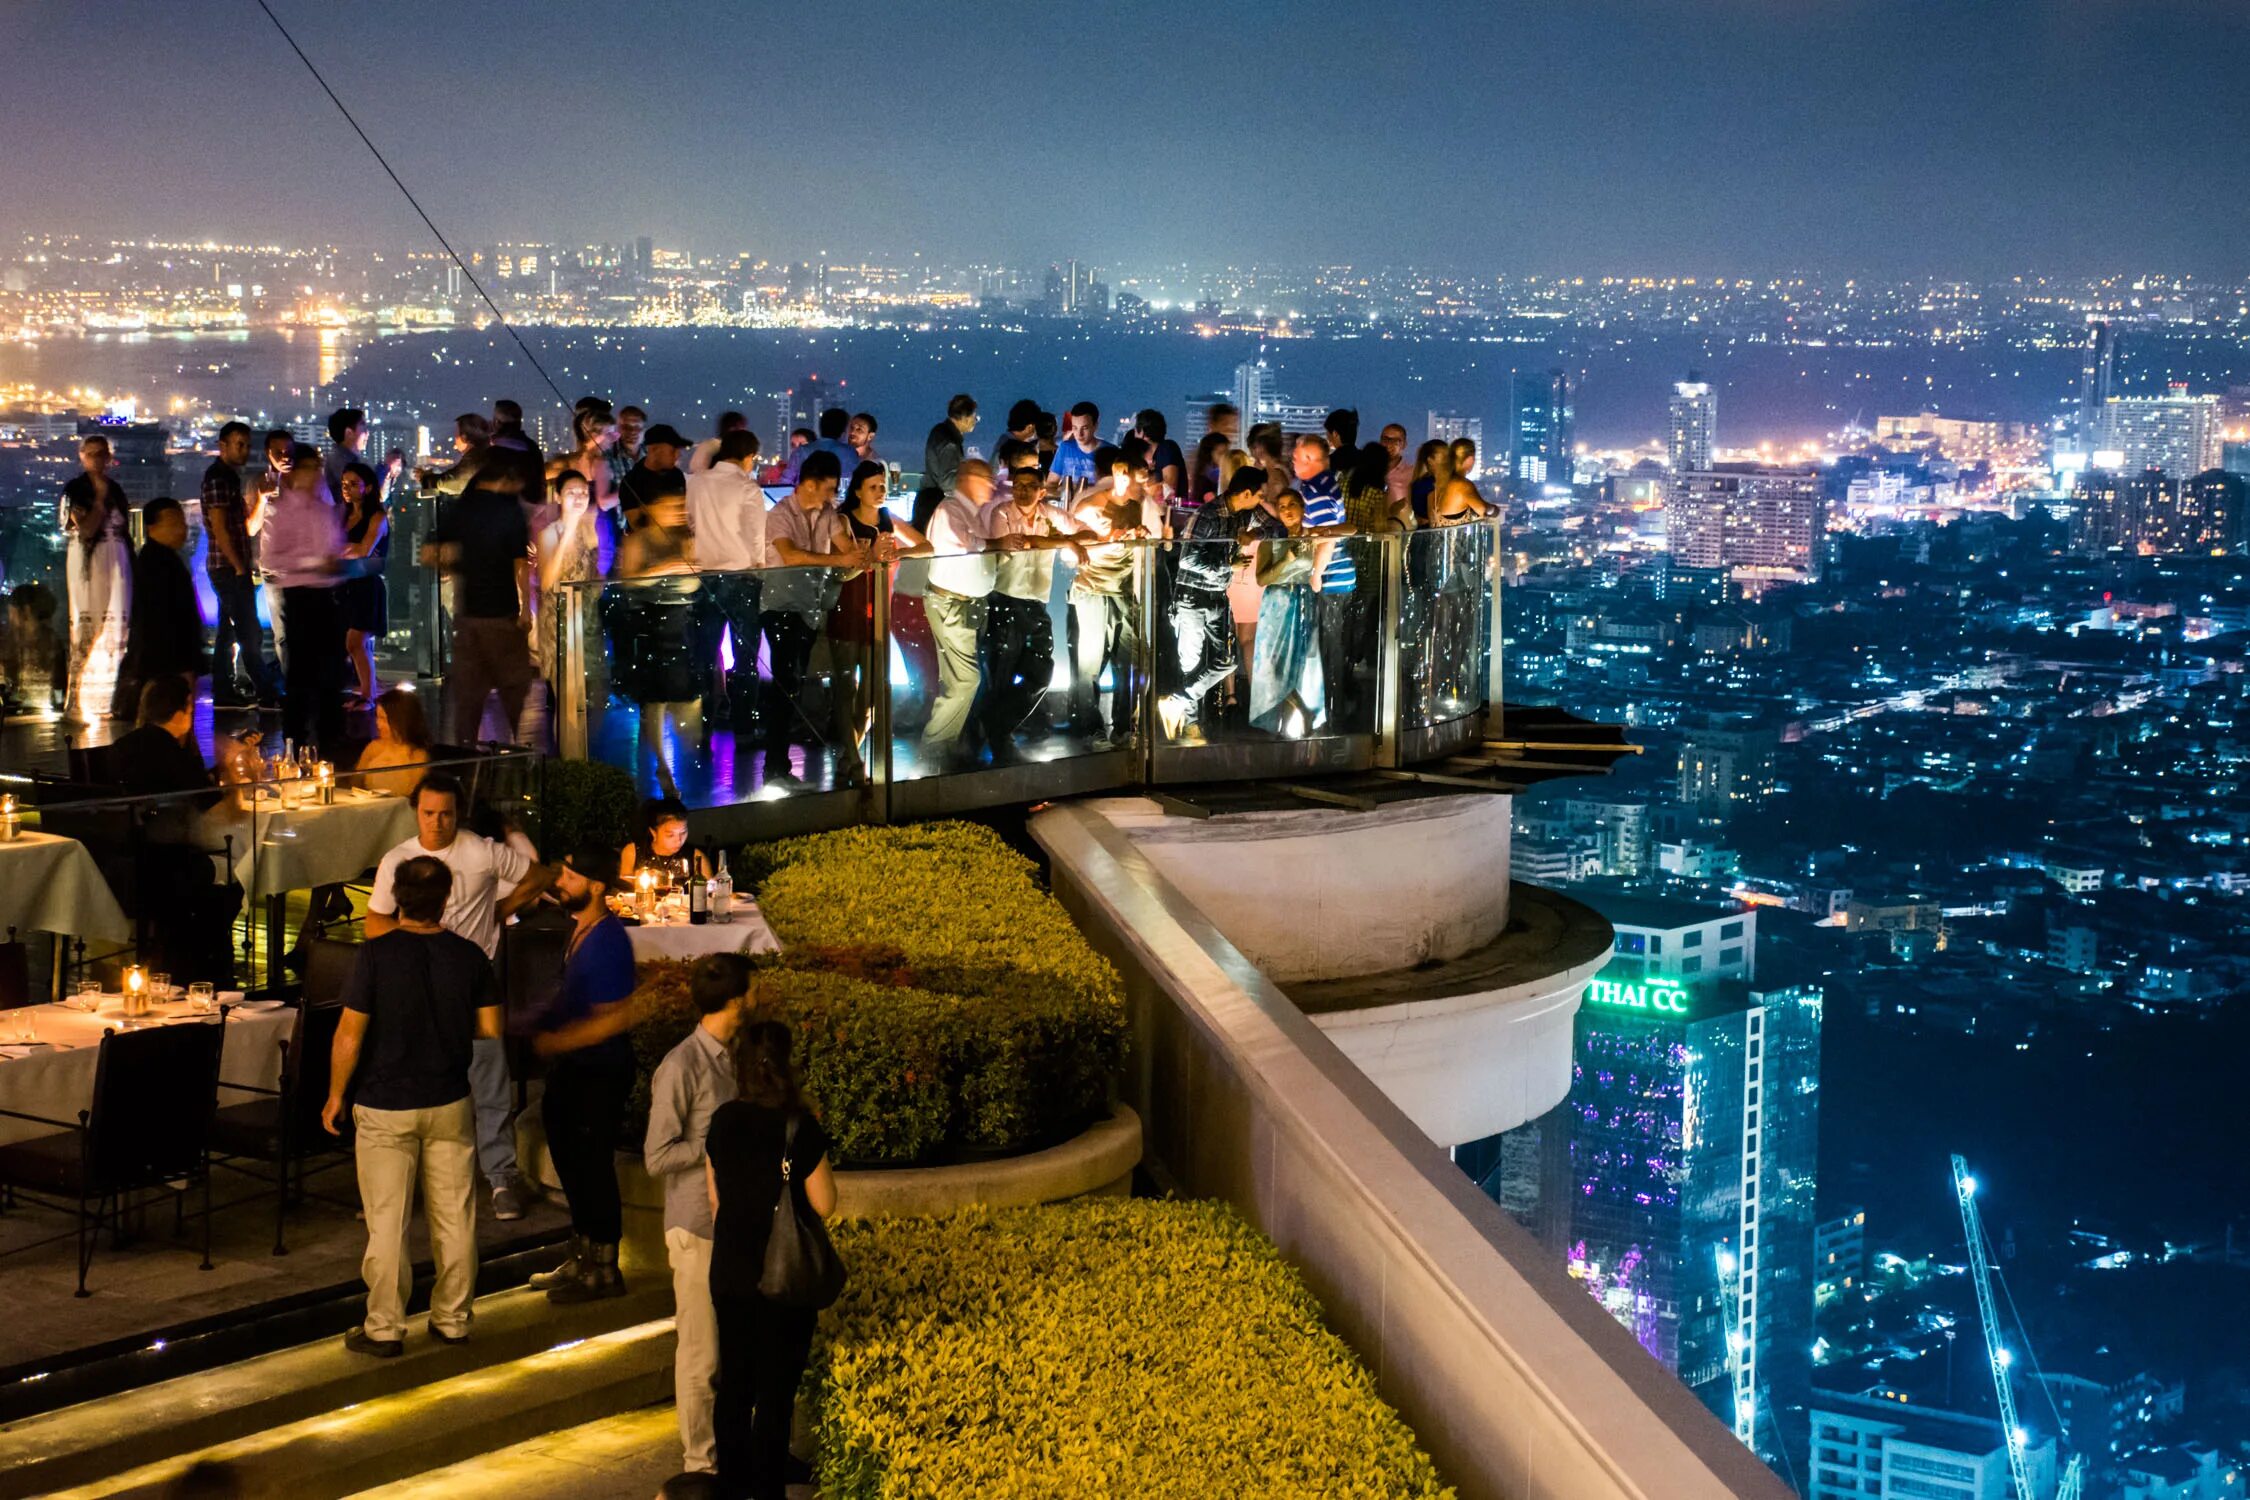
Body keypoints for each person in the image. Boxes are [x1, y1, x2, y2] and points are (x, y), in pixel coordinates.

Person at [323, 855, 501, 1357]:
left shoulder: (375, 956)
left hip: (385, 1104)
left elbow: (349, 1035)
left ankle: (384, 1327)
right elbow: (490, 1030)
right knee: (455, 1218)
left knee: (387, 1222)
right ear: (447, 898)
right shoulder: (470, 957)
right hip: (449, 1099)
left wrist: (336, 1094)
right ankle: (453, 1319)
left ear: (397, 899)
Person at [365, 773, 557, 1220]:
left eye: (445, 814)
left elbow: (539, 875)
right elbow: (375, 923)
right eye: (429, 813)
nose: (436, 822)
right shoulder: (399, 859)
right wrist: (418, 939)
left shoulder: (480, 852)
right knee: (415, 1075)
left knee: (488, 1072)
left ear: (458, 814)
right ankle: (408, 1180)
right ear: (416, 812)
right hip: (416, 980)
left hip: (472, 978)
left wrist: (499, 911)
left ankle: (500, 1176)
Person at [705, 1019, 836, 1500]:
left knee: (735, 1384)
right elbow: (825, 1203)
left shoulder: (722, 1120)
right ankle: (767, 1489)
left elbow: (715, 1199)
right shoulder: (799, 1126)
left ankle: (730, 1486)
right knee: (776, 1392)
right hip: (782, 1278)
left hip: (731, 1271)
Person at [642, 952, 753, 1479]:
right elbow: (657, 1156)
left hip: (726, 1226)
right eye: (750, 993)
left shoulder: (729, 1057)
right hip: (694, 1227)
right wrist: (715, 1146)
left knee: (725, 1351)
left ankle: (720, 1455)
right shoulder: (682, 1066)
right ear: (735, 1000)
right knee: (701, 1354)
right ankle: (698, 1465)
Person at [527, 843, 640, 1302]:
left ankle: (605, 1268)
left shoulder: (608, 941)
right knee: (572, 1162)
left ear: (595, 886)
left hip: (599, 1072)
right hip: (573, 1070)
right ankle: (581, 1254)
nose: (561, 882)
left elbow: (615, 1016)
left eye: (571, 877)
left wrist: (556, 1041)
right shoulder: (580, 930)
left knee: (592, 1167)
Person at [1158, 466, 1282, 743]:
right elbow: (1187, 559)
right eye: (1259, 494)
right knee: (1190, 662)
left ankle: (1176, 701)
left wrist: (1254, 535)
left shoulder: (1246, 513)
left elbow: (1277, 528)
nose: (1262, 499)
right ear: (1246, 493)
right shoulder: (1207, 514)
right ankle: (1190, 724)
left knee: (1227, 660)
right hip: (1192, 597)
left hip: (1218, 595)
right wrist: (1227, 564)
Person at [422, 451, 536, 746]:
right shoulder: (509, 511)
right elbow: (520, 564)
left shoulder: (461, 508)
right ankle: (520, 757)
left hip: (468, 614)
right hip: (502, 615)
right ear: (506, 479)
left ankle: (466, 762)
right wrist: (525, 607)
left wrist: (456, 567)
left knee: (469, 697)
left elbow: (429, 553)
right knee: (514, 690)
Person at [758, 451, 855, 785]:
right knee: (785, 682)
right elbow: (789, 555)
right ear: (810, 485)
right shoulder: (780, 514)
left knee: (793, 681)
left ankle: (779, 761)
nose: (833, 495)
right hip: (781, 606)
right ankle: (774, 765)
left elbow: (843, 549)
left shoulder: (827, 513)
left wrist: (858, 555)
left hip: (809, 608)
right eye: (829, 488)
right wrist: (840, 560)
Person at [979, 458, 1085, 763]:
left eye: (1030, 487)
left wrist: (1073, 540)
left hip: (1035, 603)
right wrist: (1067, 541)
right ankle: (999, 739)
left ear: (1042, 491)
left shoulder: (1050, 515)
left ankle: (997, 723)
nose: (1023, 491)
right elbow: (1019, 543)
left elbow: (1085, 532)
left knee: (1041, 671)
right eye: (1019, 486)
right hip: (1005, 599)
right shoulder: (1002, 512)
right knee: (1001, 672)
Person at [830, 460, 928, 785]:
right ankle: (854, 762)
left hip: (878, 613)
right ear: (857, 490)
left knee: (872, 695)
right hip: (848, 609)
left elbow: (926, 546)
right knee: (847, 689)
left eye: (883, 486)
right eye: (873, 486)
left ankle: (849, 755)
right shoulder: (844, 521)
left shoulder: (890, 520)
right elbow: (844, 570)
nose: (880, 491)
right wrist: (872, 555)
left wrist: (896, 556)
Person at [262, 445, 352, 759]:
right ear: (295, 472)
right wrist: (317, 563)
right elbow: (271, 559)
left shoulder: (322, 509)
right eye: (310, 467)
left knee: (331, 676)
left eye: (318, 467)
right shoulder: (280, 510)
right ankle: (296, 745)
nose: (316, 474)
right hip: (300, 598)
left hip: (327, 596)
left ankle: (331, 747)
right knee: (301, 677)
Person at [616, 472, 702, 798]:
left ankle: (683, 757)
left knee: (684, 695)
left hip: (681, 622)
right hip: (651, 622)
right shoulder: (639, 539)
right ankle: (662, 767)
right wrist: (664, 571)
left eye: (681, 506)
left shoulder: (685, 538)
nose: (678, 512)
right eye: (672, 506)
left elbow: (696, 580)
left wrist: (682, 573)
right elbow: (628, 582)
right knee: (655, 700)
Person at [1067, 460, 1163, 748]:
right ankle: (1092, 728)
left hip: (1124, 591)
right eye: (1139, 482)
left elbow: (1154, 540)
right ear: (1120, 475)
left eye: (1147, 482)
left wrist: (1145, 538)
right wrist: (1113, 539)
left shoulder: (1140, 503)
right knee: (1089, 665)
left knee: (1130, 661)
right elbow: (1073, 555)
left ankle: (1123, 727)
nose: (1144, 489)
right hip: (1093, 591)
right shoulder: (1089, 506)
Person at [683, 432, 766, 726]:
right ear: (749, 457)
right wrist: (760, 567)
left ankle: (702, 721)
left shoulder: (697, 483)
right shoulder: (748, 488)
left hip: (704, 577)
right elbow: (757, 537)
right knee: (745, 658)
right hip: (742, 578)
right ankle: (743, 724)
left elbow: (690, 522)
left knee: (704, 654)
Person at [918, 457, 995, 769]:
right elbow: (966, 547)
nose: (991, 486)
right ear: (970, 479)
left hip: (967, 604)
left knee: (960, 679)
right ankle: (935, 746)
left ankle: (946, 745)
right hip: (951, 603)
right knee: (965, 680)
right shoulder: (950, 510)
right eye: (986, 479)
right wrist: (998, 543)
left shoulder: (971, 512)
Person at [60, 433, 134, 725]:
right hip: (89, 563)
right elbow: (87, 529)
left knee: (117, 628)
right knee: (89, 624)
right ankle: (79, 700)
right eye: (91, 454)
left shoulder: (115, 489)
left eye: (101, 454)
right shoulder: (76, 490)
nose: (97, 460)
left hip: (117, 561)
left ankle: (108, 698)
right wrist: (100, 500)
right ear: (82, 456)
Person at [1292, 434, 1364, 727]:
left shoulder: (1316, 491)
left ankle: (1332, 714)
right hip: (1340, 577)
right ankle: (1334, 709)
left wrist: (1316, 574)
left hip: (1330, 578)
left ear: (1311, 459)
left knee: (1329, 649)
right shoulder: (1327, 484)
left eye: (1297, 456)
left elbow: (1328, 536)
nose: (1292, 460)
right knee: (1332, 646)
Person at [202, 421, 275, 708]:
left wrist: (261, 499)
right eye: (239, 444)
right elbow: (220, 529)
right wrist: (239, 567)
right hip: (228, 569)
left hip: (230, 567)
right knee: (248, 631)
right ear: (223, 446)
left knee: (230, 631)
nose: (244, 450)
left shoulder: (229, 478)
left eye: (247, 444)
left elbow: (245, 528)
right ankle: (266, 693)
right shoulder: (219, 479)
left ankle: (225, 691)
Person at [117, 498, 207, 717]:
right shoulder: (156, 564)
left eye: (183, 522)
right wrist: (185, 663)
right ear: (152, 527)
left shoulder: (164, 560)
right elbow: (163, 619)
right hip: (167, 662)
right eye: (174, 522)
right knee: (174, 719)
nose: (182, 529)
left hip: (166, 661)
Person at [1249, 490, 1327, 736]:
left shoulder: (1310, 537)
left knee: (1303, 661)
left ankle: (1302, 716)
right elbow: (1262, 579)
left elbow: (1348, 530)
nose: (1287, 510)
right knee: (1274, 664)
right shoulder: (1271, 541)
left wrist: (1320, 532)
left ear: (1303, 508)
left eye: (1293, 504)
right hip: (1277, 604)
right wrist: (1285, 560)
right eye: (1282, 506)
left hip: (1302, 600)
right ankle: (1290, 715)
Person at [337, 461, 390, 707]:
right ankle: (368, 692)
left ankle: (369, 695)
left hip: (367, 586)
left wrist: (336, 550)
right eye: (344, 484)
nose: (346, 489)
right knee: (358, 643)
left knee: (356, 641)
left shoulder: (377, 516)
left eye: (353, 484)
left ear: (367, 488)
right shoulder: (345, 515)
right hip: (348, 585)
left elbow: (365, 549)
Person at [911, 393, 977, 532]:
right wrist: (970, 482)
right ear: (964, 417)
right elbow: (947, 481)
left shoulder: (940, 431)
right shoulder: (950, 442)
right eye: (974, 417)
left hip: (927, 499)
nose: (975, 421)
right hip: (935, 503)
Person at [0, 581, 66, 717]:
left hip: (32, 715)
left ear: (26, 610)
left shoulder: (13, 642)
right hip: (42, 713)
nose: (10, 618)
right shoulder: (52, 640)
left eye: (12, 613)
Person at [354, 685, 433, 798]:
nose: (378, 724)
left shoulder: (418, 757)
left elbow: (415, 798)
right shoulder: (374, 748)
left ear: (401, 720)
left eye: (384, 719)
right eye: (377, 717)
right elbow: (355, 783)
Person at [618, 795, 711, 885]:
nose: (679, 840)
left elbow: (711, 893)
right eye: (670, 835)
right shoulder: (632, 852)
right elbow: (623, 892)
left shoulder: (697, 857)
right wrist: (638, 879)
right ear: (653, 832)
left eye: (683, 833)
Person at [620, 424, 691, 535]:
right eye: (672, 451)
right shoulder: (631, 481)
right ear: (653, 450)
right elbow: (636, 525)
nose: (677, 456)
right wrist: (660, 514)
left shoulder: (677, 475)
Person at [1049, 400, 1110, 500]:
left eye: (1084, 428)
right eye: (1075, 428)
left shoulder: (1109, 451)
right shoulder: (1065, 448)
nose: (1079, 434)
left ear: (1095, 426)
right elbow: (1051, 484)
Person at [1135, 408, 1186, 497]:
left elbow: (1169, 487)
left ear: (1142, 432)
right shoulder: (1151, 457)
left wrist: (1141, 492)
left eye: (1135, 430)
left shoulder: (1167, 448)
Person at [324, 407, 369, 498]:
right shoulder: (341, 461)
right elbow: (362, 494)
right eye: (363, 427)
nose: (367, 433)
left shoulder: (341, 457)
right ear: (349, 433)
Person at [686, 411, 748, 476]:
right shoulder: (712, 447)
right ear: (732, 429)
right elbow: (698, 471)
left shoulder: (707, 446)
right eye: (742, 428)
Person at [805, 407, 856, 482]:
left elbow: (786, 483)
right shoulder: (849, 453)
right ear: (843, 431)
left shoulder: (801, 451)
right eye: (850, 428)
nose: (852, 433)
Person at [1380, 422, 1413, 509]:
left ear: (1404, 445)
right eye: (1385, 439)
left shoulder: (1411, 473)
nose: (1388, 445)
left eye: (1395, 441)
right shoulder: (1369, 470)